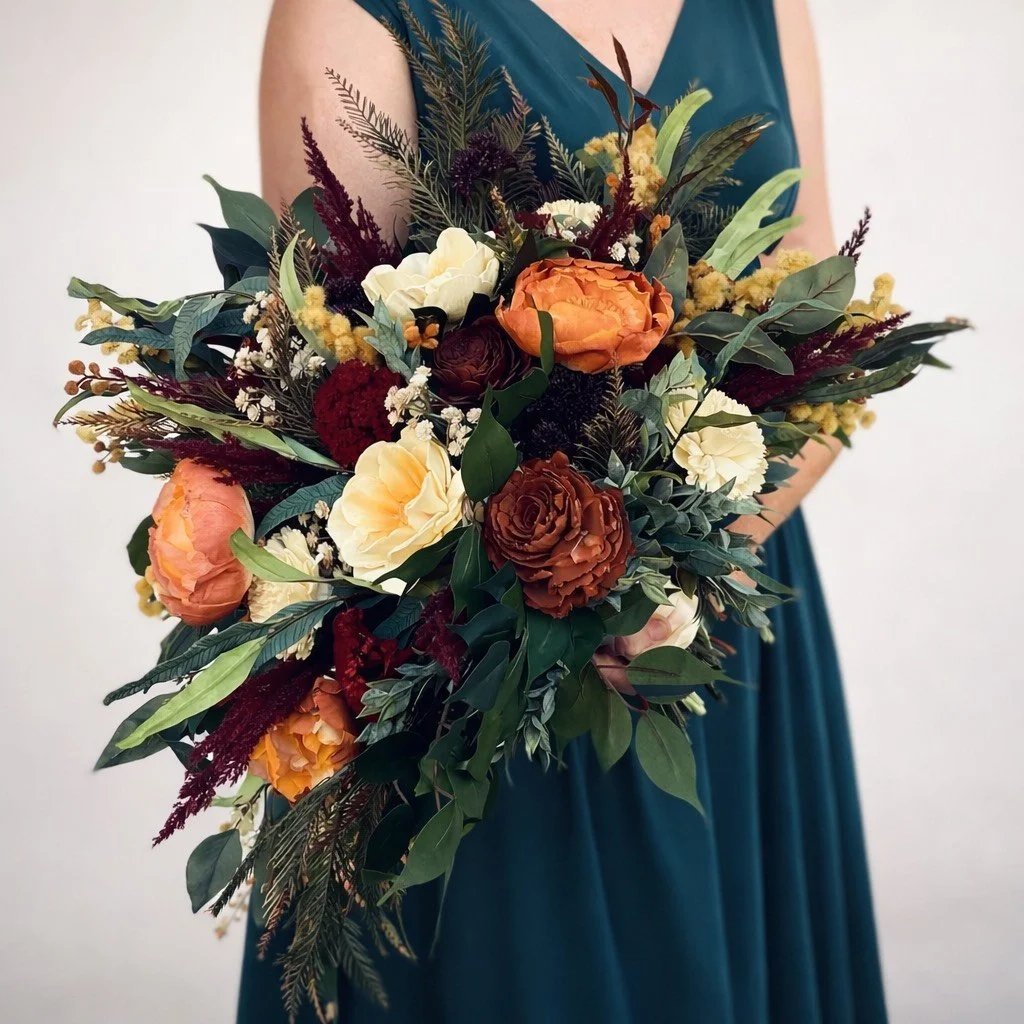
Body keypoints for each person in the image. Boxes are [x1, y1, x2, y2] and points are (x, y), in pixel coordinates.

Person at [241, 1, 889, 1021]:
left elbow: (822, 332)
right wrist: (572, 572)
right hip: (494, 668)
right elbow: (345, 391)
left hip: (724, 624)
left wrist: (679, 569)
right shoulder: (349, 16)